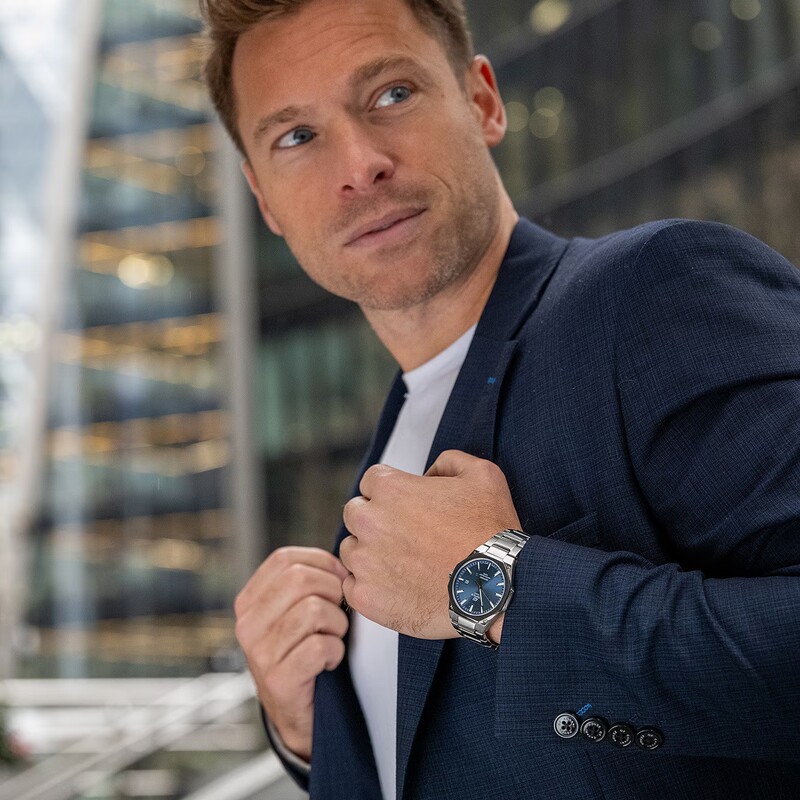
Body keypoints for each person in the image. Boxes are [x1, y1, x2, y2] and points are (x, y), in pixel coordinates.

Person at [199, 0, 800, 797]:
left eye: (391, 94)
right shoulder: (390, 452)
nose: (359, 164)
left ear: (481, 100)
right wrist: (310, 732)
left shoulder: (655, 293)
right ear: (265, 199)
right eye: (296, 137)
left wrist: (495, 584)